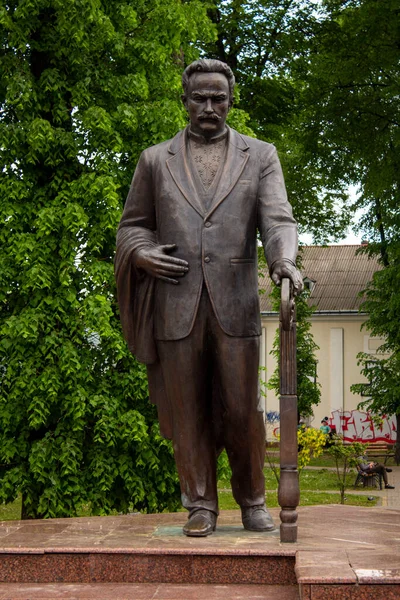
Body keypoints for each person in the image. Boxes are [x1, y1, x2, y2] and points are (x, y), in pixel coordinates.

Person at [115, 59, 303, 537]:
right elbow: (132, 226)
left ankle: (253, 500)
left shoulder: (260, 156)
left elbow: (277, 219)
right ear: (185, 100)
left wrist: (283, 262)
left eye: (218, 98)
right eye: (200, 98)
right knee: (188, 410)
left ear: (230, 100)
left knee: (243, 410)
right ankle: (200, 505)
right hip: (175, 305)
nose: (209, 107)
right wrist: (142, 254)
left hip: (235, 306)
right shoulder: (155, 160)